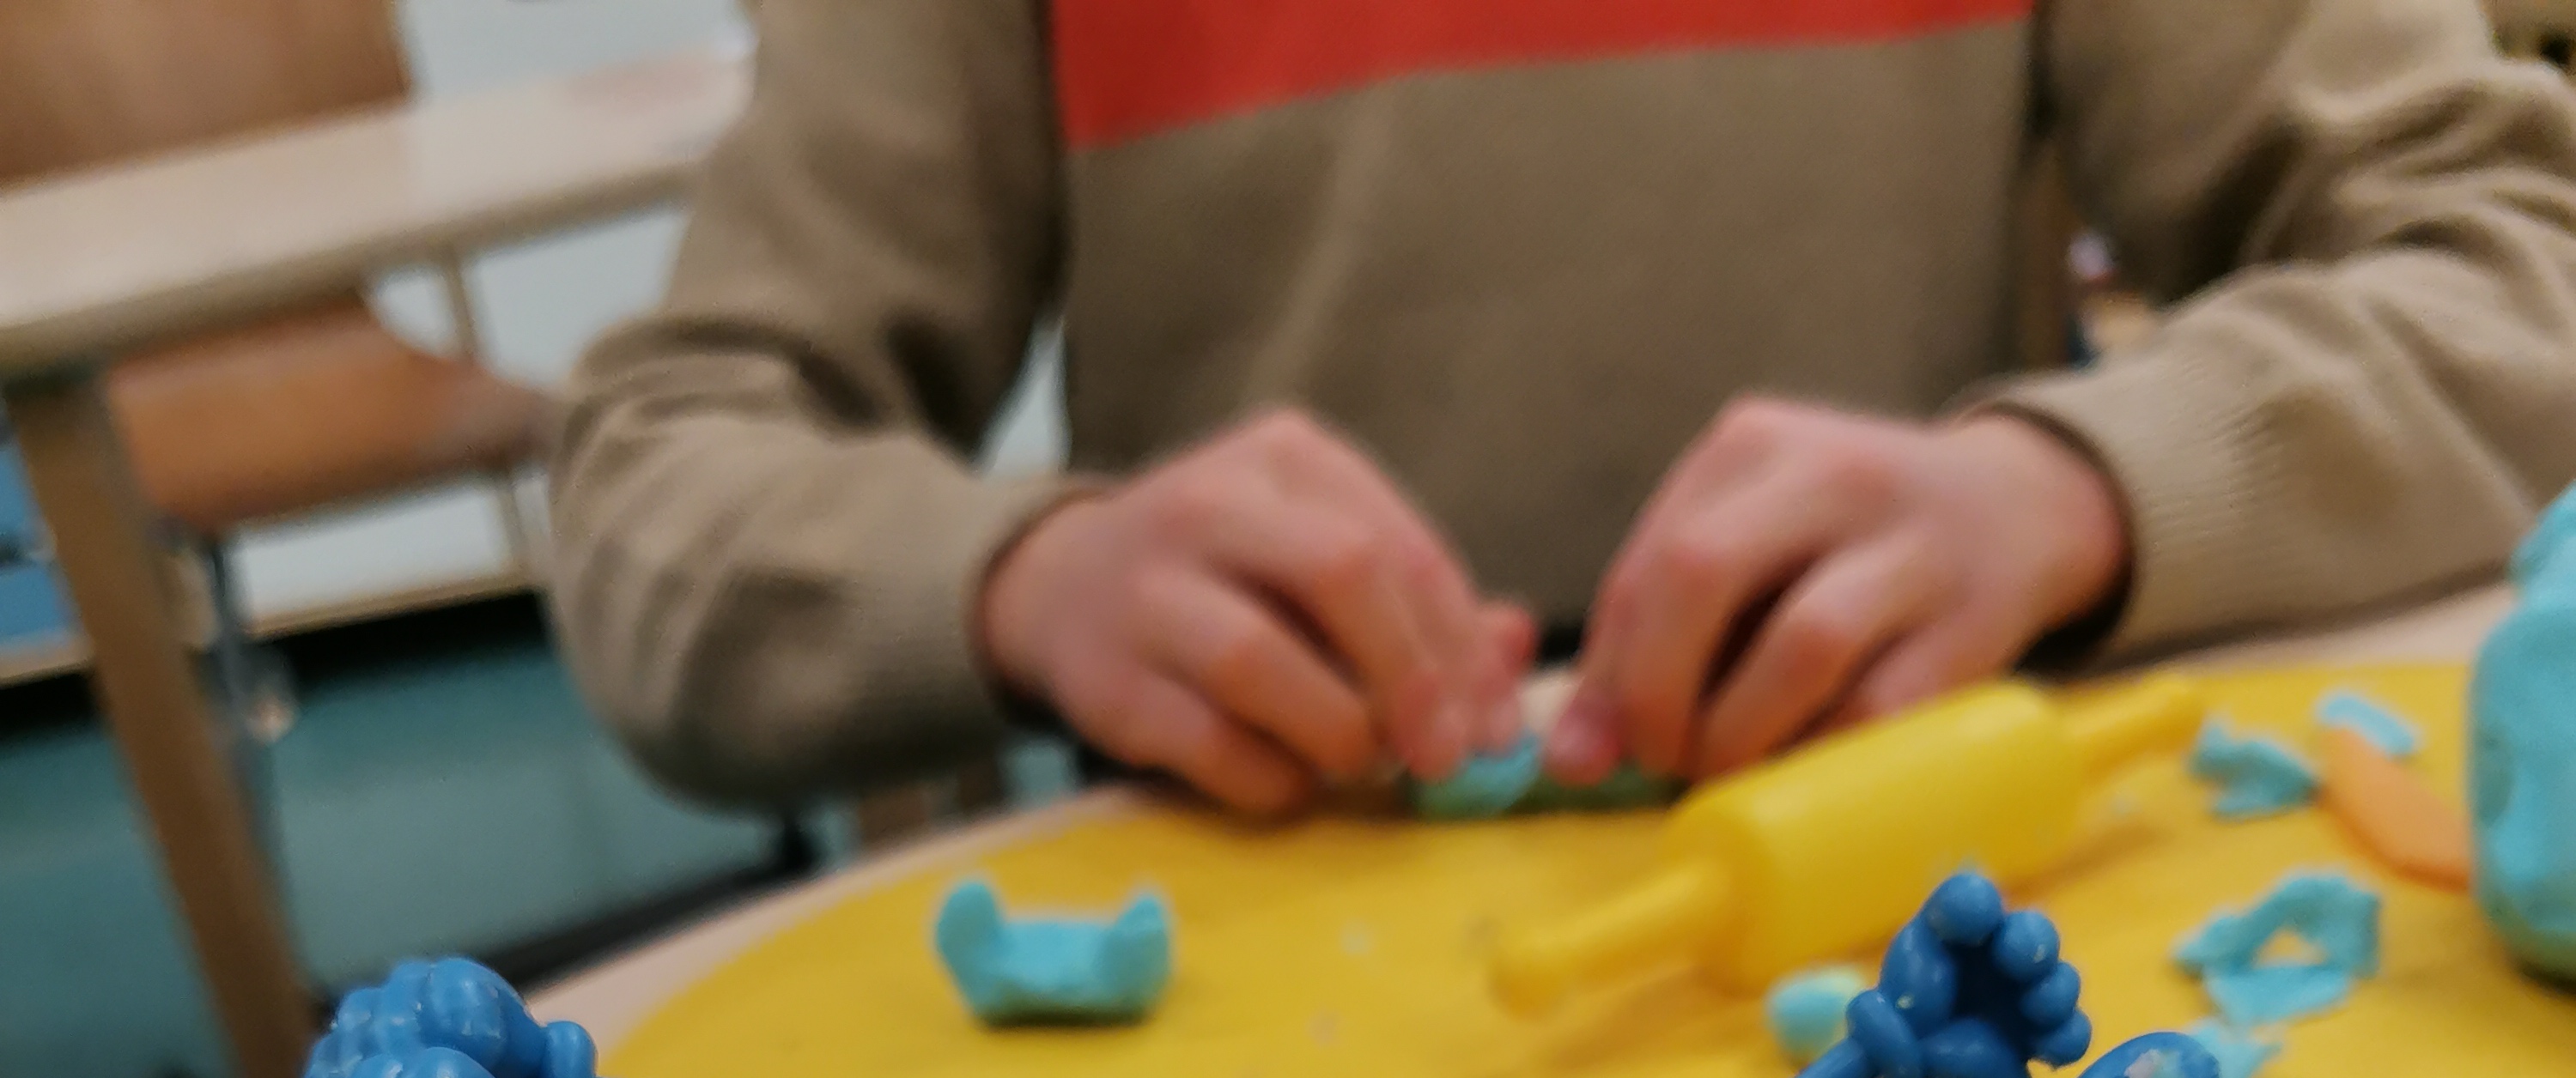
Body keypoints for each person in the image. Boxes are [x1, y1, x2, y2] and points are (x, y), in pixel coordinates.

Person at [551, 0, 2576, 818]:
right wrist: (1023, 579)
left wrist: (2074, 490)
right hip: (1260, 1076)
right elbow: (661, 477)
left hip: (1922, 959)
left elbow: (2517, 260)